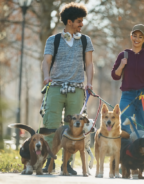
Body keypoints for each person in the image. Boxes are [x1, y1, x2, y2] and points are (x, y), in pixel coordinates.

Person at [41, 2, 94, 175]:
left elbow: (89, 64)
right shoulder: (53, 40)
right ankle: (49, 161)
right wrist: (46, 76)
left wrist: (90, 82)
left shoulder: (85, 40)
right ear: (69, 21)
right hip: (55, 88)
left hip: (77, 89)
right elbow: (46, 61)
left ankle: (67, 164)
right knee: (51, 126)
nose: (82, 24)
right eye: (79, 21)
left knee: (73, 129)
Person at [111, 24, 144, 134]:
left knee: (142, 130)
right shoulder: (124, 55)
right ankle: (125, 151)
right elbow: (115, 76)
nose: (137, 39)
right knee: (124, 129)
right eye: (135, 36)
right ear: (131, 36)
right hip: (127, 96)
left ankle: (139, 151)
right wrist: (122, 65)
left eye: (140, 37)